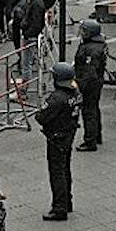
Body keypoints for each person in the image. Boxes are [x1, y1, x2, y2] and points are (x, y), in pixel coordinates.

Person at [36, 61, 79, 220]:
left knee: (57, 172)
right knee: (65, 169)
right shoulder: (75, 92)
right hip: (68, 135)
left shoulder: (57, 98)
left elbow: (41, 117)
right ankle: (67, 201)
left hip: (56, 138)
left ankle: (59, 207)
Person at [72, 18, 107, 151]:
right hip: (96, 82)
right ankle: (96, 135)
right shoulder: (96, 45)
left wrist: (79, 85)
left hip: (90, 84)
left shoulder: (91, 50)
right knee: (94, 109)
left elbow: (89, 71)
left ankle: (90, 141)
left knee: (88, 112)